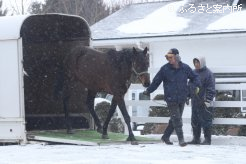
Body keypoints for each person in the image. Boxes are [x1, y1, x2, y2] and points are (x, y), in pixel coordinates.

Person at [143, 48, 200, 147]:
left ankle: (165, 137)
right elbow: (156, 81)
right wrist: (148, 91)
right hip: (171, 98)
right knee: (177, 119)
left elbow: (195, 78)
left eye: (170, 57)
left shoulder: (185, 68)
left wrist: (193, 87)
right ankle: (181, 139)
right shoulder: (164, 69)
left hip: (182, 97)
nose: (169, 59)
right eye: (167, 57)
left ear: (177, 57)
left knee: (175, 119)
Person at [187, 57, 216, 145]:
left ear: (202, 63)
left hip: (204, 102)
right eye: (195, 62)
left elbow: (211, 88)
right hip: (195, 102)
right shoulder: (193, 73)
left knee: (206, 121)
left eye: (198, 62)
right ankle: (196, 139)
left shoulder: (208, 74)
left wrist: (208, 99)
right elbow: (189, 86)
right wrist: (187, 96)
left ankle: (207, 139)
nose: (196, 64)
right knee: (195, 121)